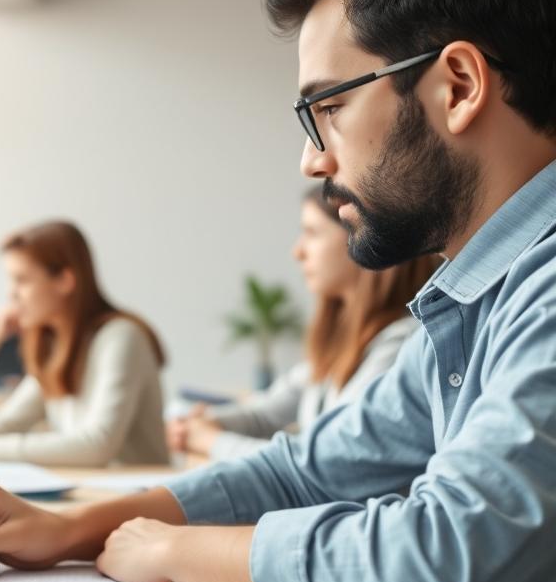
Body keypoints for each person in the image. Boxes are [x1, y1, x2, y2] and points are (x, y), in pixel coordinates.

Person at [0, 0, 556, 582]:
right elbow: (304, 472)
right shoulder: (474, 302)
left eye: (330, 107)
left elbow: (446, 563)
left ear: (459, 86)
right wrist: (71, 528)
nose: (313, 158)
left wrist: (177, 551)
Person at [168, 187, 436, 459]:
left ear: (363, 240)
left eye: (312, 233)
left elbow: (325, 461)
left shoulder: (401, 345)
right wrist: (204, 423)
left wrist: (211, 440)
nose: (297, 252)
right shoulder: (339, 346)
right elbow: (264, 414)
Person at [0, 221, 169, 467]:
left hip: (134, 491)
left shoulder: (122, 337)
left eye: (21, 280)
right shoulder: (52, 345)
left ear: (65, 280)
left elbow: (98, 444)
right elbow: (11, 420)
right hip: (90, 486)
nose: (11, 294)